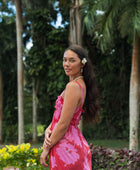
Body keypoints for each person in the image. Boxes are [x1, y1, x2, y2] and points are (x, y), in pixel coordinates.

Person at [40, 44, 100, 169]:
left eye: (72, 60)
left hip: (66, 148)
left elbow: (63, 124)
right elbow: (60, 118)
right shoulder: (79, 84)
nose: (66, 64)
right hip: (70, 144)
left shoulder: (73, 87)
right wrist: (48, 129)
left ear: (82, 64)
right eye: (65, 60)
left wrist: (46, 148)